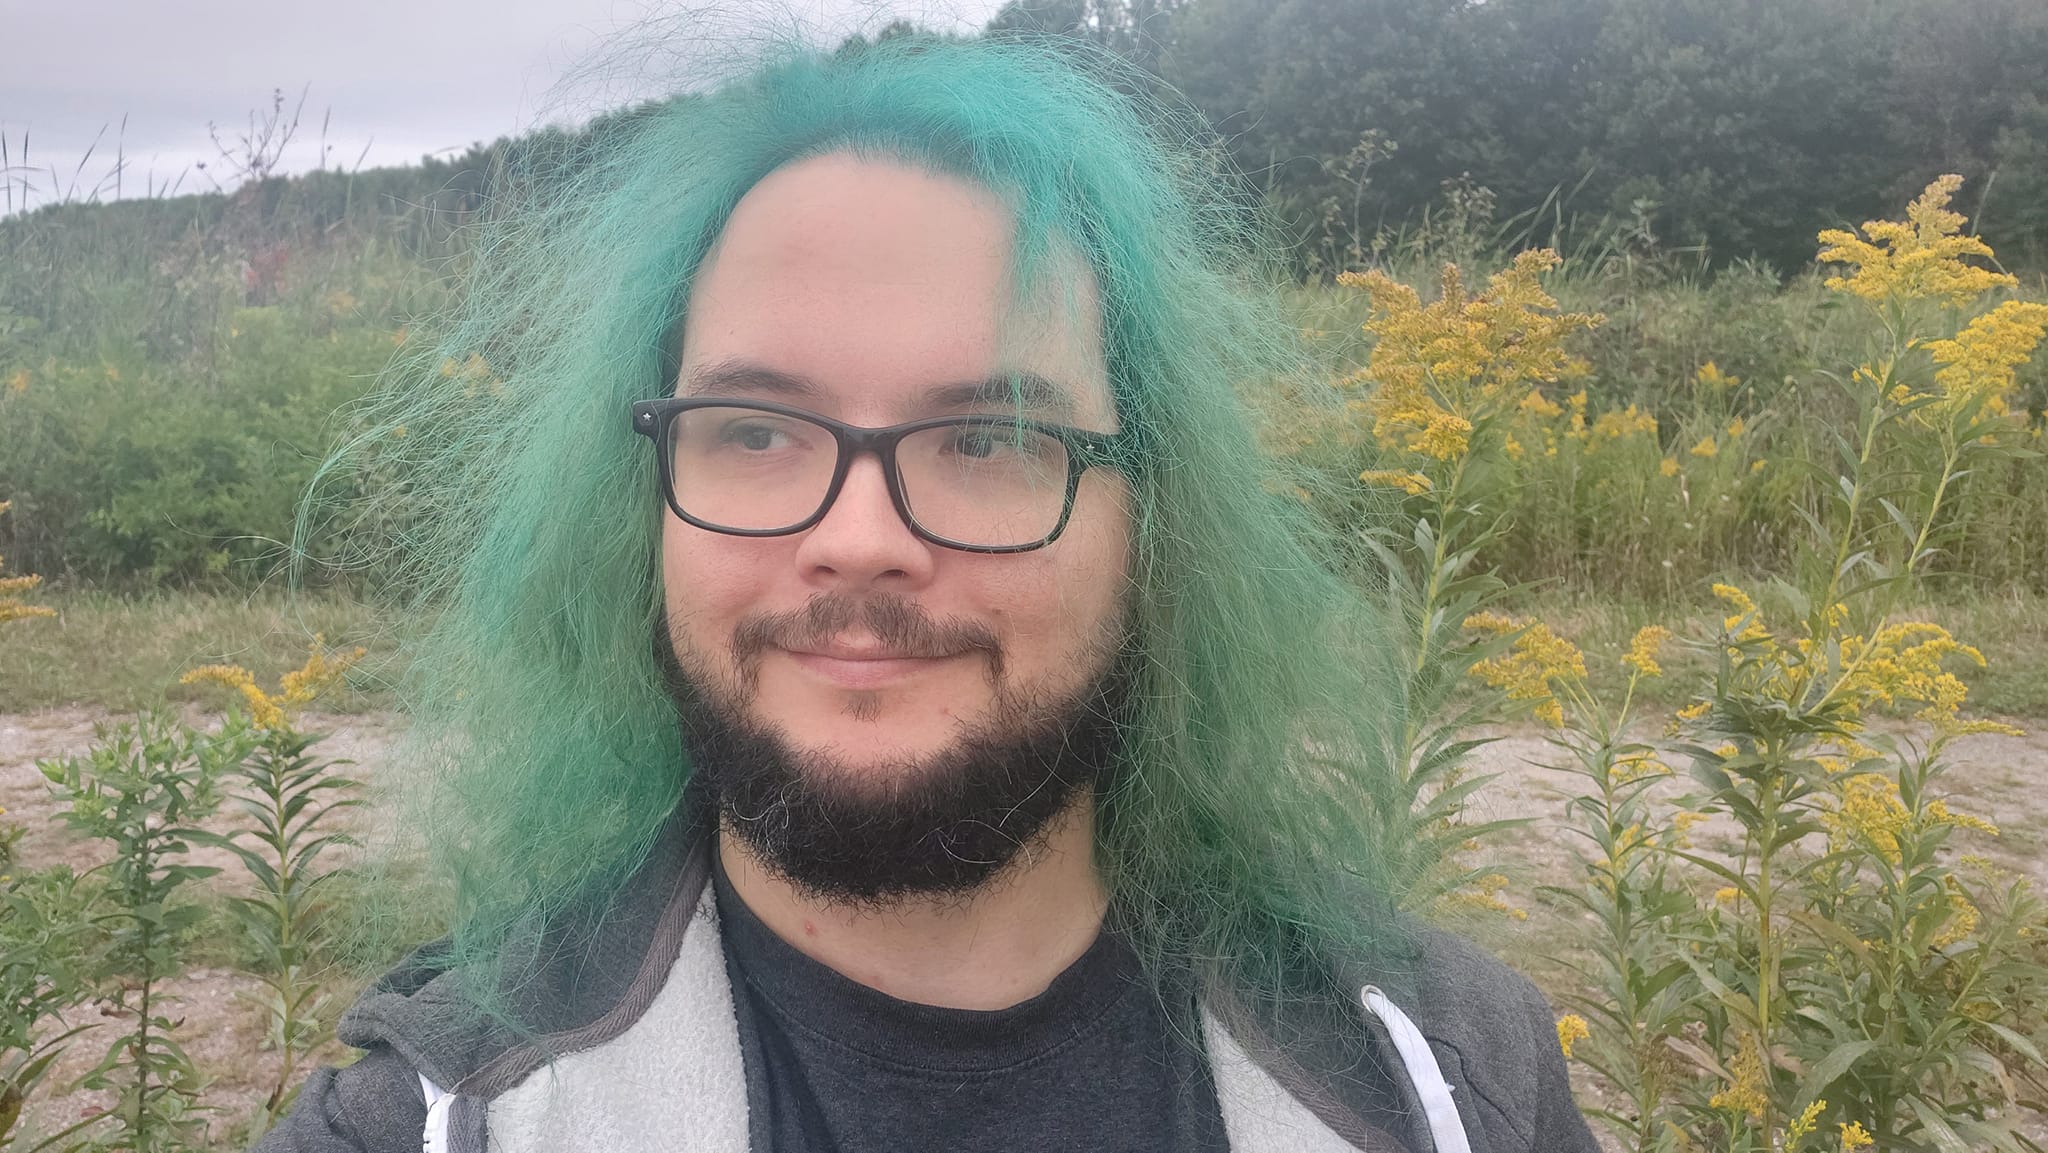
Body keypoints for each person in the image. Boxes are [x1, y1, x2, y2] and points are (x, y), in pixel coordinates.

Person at [261, 32, 1597, 1153]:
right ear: (647, 510)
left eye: (992, 438)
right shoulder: (431, 1123)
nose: (857, 539)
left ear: (1152, 524)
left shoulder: (1451, 1088)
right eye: (754, 428)